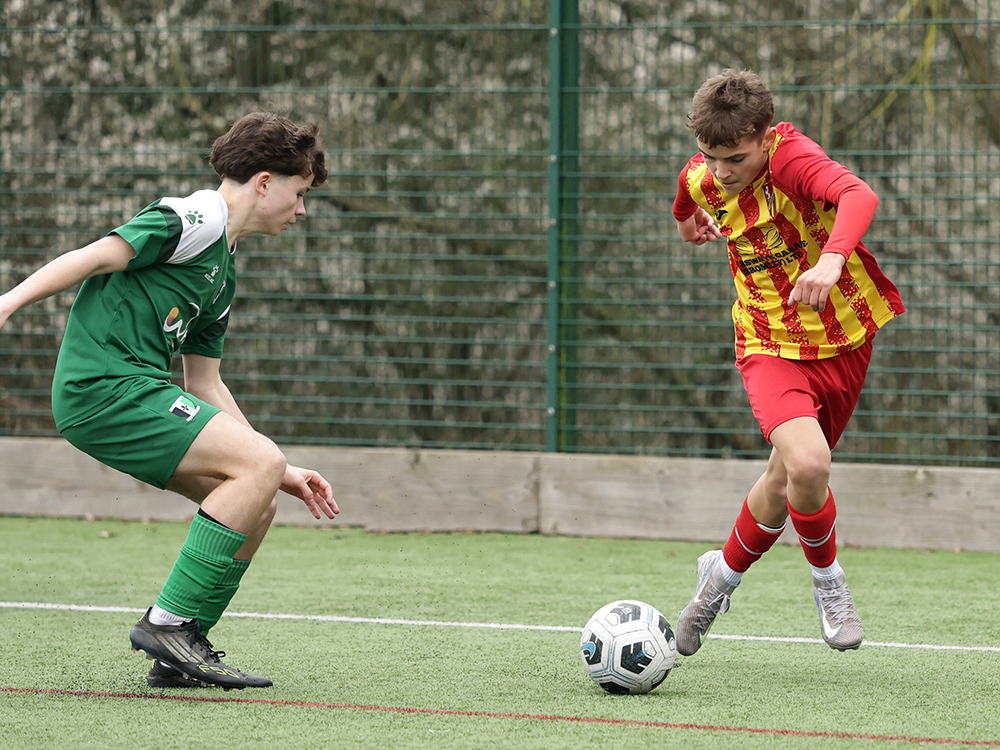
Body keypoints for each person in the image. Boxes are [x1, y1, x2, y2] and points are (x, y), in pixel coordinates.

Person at [0, 112, 339, 689]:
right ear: (264, 182)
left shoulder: (223, 271)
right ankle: (166, 623)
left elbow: (204, 384)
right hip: (104, 386)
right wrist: (7, 302)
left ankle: (181, 648)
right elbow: (98, 254)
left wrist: (278, 467)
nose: (301, 209)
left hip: (135, 390)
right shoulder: (198, 216)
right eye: (299, 192)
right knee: (259, 467)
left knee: (258, 494)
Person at [671, 70, 904, 655]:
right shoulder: (703, 175)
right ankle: (830, 583)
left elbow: (859, 195)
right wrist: (686, 224)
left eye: (736, 157)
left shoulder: (791, 158)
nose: (721, 170)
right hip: (768, 343)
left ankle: (717, 582)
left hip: (845, 337)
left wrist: (829, 262)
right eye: (710, 155)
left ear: (765, 135)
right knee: (806, 464)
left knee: (785, 479)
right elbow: (685, 194)